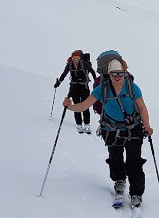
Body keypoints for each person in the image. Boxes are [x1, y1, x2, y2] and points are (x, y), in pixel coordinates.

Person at [64, 58, 153, 209]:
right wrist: (70, 107)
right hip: (110, 129)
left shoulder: (132, 87)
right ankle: (119, 180)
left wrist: (147, 126)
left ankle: (136, 194)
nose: (117, 76)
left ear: (125, 73)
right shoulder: (102, 89)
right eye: (114, 74)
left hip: (133, 128)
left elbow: (142, 108)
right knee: (115, 157)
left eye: (120, 73)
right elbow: (85, 105)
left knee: (134, 161)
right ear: (109, 74)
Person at [55, 50, 94, 133]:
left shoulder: (84, 64)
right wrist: (58, 82)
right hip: (74, 87)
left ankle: (87, 124)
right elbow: (64, 74)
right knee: (76, 105)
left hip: (84, 86)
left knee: (85, 105)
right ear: (72, 59)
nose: (76, 61)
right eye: (74, 59)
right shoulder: (69, 65)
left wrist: (97, 82)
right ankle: (79, 124)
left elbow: (92, 71)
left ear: (80, 58)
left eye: (77, 59)